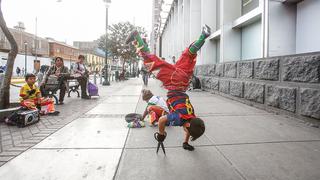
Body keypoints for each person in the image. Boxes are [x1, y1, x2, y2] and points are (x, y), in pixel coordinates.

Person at [127, 24, 211, 151]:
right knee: (152, 64)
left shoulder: (192, 117)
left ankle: (203, 36)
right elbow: (161, 121)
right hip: (174, 82)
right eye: (187, 130)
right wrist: (161, 135)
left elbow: (189, 126)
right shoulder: (179, 119)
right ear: (188, 125)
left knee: (188, 56)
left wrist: (185, 142)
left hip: (184, 81)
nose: (185, 129)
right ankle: (137, 37)